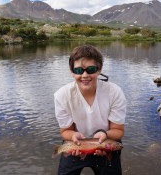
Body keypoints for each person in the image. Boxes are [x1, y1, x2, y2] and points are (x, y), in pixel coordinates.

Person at [54, 44, 127, 175]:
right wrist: (73, 136)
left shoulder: (115, 92)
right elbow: (65, 131)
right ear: (71, 72)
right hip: (75, 144)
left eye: (91, 69)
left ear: (99, 70)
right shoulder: (61, 95)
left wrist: (104, 135)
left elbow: (118, 131)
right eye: (78, 71)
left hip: (106, 144)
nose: (85, 75)